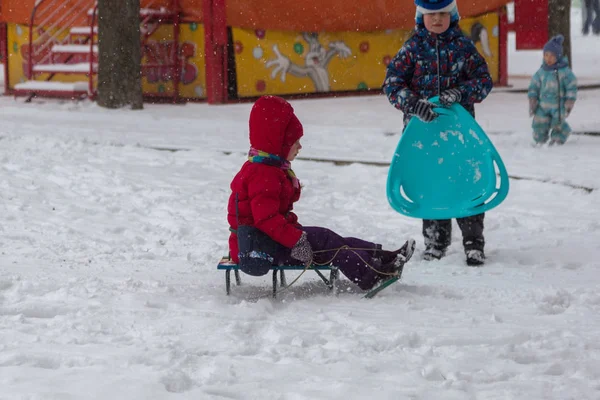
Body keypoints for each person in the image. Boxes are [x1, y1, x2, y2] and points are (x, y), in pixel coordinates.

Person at [227, 95, 416, 291]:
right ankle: (369, 276)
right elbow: (265, 220)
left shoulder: (267, 168)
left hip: (268, 241)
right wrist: (296, 240)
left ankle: (384, 258)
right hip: (258, 249)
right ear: (280, 144)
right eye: (295, 142)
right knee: (329, 245)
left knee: (331, 240)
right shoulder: (263, 173)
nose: (300, 147)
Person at [382, 0, 493, 266]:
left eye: (443, 14)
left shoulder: (462, 47)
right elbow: (392, 84)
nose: (437, 20)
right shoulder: (412, 49)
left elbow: (483, 80)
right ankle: (435, 241)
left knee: (467, 181)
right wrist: (413, 104)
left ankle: (473, 242)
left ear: (452, 15)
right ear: (422, 17)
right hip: (423, 135)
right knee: (430, 182)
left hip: (458, 134)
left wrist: (461, 93)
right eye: (432, 15)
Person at [527, 34, 577, 146]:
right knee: (539, 122)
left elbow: (571, 86)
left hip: (558, 105)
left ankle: (558, 137)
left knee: (557, 123)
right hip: (543, 105)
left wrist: (570, 100)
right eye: (546, 55)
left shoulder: (564, 72)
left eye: (552, 56)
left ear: (558, 56)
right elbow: (534, 85)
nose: (548, 58)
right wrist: (533, 98)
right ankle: (540, 139)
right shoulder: (541, 72)